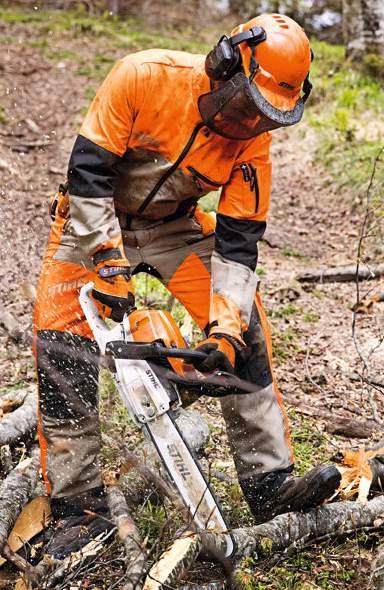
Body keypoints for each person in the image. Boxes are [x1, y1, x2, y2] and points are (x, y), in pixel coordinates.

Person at [33, 13, 341, 558]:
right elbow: (88, 173)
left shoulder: (254, 142)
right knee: (62, 347)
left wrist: (224, 331)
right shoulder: (144, 77)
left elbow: (240, 241)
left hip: (174, 225)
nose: (251, 124)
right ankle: (76, 506)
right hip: (92, 219)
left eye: (267, 116)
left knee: (246, 329)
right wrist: (107, 261)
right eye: (248, 106)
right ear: (224, 67)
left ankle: (270, 485)